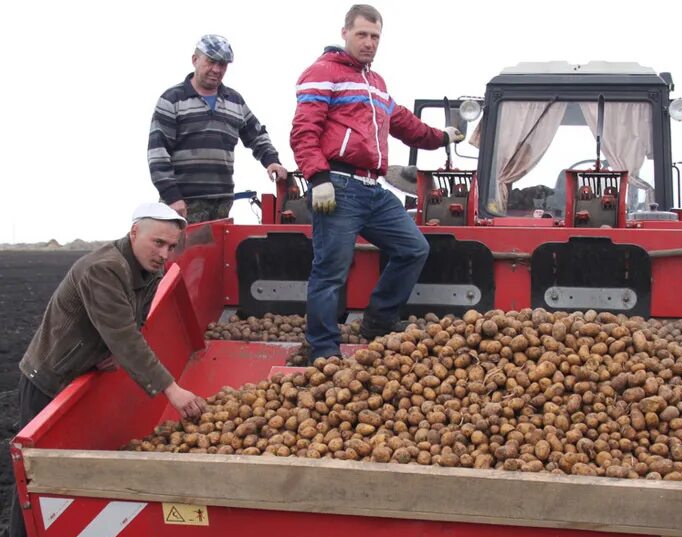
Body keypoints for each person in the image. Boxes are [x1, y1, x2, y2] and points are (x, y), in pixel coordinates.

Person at [7, 203, 207, 537]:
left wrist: (108, 349)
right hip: (49, 378)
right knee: (32, 473)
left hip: (82, 371)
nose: (165, 253)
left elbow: (134, 323)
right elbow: (126, 338)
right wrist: (171, 389)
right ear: (134, 232)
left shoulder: (149, 269)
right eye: (157, 242)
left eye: (172, 246)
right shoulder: (102, 268)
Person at [290, 4, 464, 361]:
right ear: (344, 33)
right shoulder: (322, 73)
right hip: (337, 186)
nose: (369, 43)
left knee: (414, 248)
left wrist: (442, 137)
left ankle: (377, 322)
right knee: (330, 271)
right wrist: (318, 177)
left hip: (373, 189)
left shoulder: (376, 83)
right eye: (362, 35)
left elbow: (405, 125)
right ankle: (322, 351)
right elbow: (303, 131)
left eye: (375, 37)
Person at [148, 34, 289, 224]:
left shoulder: (235, 101)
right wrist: (172, 196)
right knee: (180, 253)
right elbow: (157, 153)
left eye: (222, 64)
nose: (216, 69)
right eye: (211, 62)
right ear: (195, 60)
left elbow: (256, 135)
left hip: (222, 203)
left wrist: (271, 161)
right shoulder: (172, 100)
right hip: (182, 205)